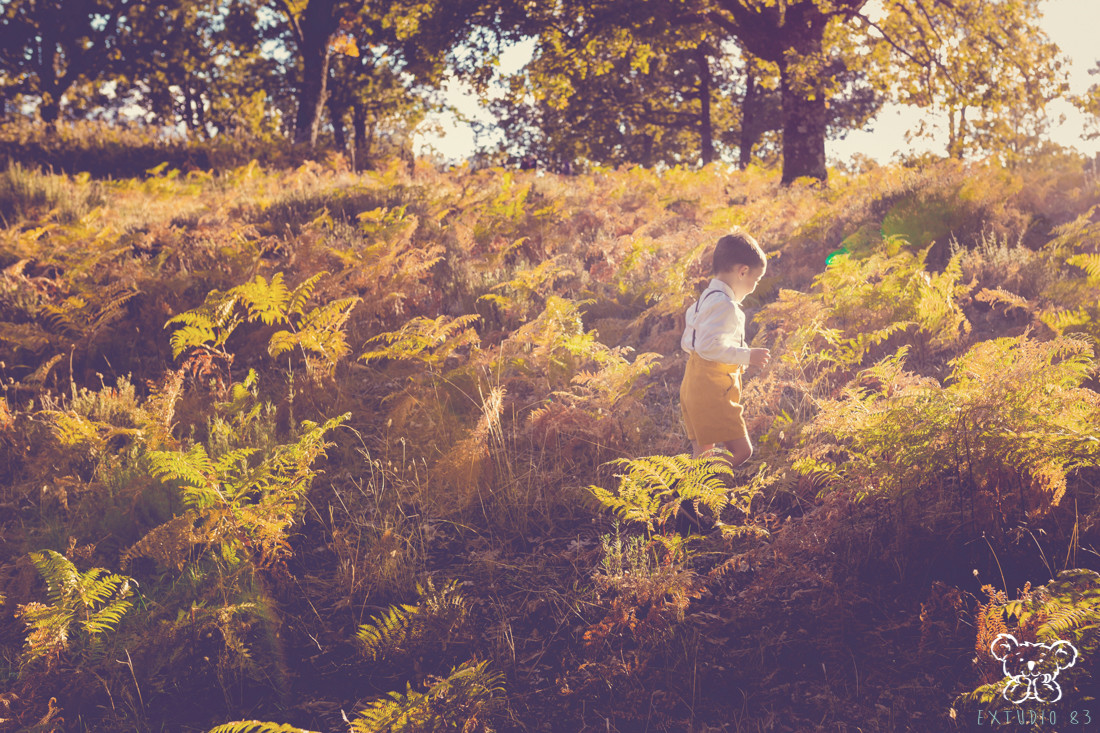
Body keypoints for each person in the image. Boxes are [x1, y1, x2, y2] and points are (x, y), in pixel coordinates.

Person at [679, 229, 771, 469]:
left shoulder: (702, 301)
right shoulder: (725, 305)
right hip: (711, 389)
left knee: (702, 453)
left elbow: (690, 344)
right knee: (742, 450)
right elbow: (708, 346)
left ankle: (694, 497)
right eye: (756, 280)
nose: (754, 287)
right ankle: (706, 485)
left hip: (693, 384)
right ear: (743, 272)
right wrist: (747, 356)